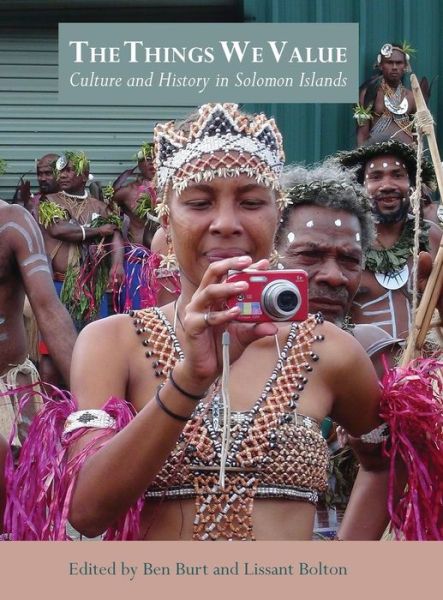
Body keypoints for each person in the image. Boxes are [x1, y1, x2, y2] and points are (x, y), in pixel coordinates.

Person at [10, 103, 399, 542]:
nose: (227, 224)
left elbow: (387, 461)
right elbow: (83, 512)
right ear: (166, 217)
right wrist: (190, 379)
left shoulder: (330, 350)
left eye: (252, 202)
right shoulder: (113, 341)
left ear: (278, 213)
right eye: (198, 203)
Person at [277, 162, 402, 378]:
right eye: (310, 255)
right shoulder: (223, 350)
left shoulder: (376, 355)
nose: (334, 276)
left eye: (349, 259)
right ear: (267, 253)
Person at [336, 140, 442, 339]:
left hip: (425, 365)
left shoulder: (434, 238)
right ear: (361, 185)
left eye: (397, 175)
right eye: (376, 177)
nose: (387, 185)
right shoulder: (346, 244)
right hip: (363, 366)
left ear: (411, 183)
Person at [38, 150, 124, 385]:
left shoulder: (100, 205)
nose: (63, 175)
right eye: (61, 170)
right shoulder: (49, 201)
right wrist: (96, 231)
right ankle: (54, 408)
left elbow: (115, 235)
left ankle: (94, 399)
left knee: (98, 347)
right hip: (59, 284)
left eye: (69, 170)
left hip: (93, 288)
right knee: (52, 351)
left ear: (84, 175)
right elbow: (59, 230)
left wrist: (117, 264)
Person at [0, 199, 77, 453]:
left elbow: (48, 309)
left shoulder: (13, 222)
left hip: (9, 394)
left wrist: (89, 401)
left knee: (21, 484)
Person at [110, 143, 160, 311]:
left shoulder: (173, 189)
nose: (152, 163)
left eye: (155, 157)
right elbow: (111, 219)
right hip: (137, 263)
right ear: (139, 164)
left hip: (166, 262)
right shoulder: (128, 192)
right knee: (137, 314)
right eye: (146, 159)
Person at [355, 43, 417, 146]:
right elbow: (362, 133)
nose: (394, 67)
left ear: (405, 66)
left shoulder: (411, 97)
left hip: (407, 155)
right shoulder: (368, 94)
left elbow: (417, 135)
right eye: (389, 62)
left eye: (399, 63)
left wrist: (417, 159)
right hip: (376, 151)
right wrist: (361, 158)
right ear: (380, 65)